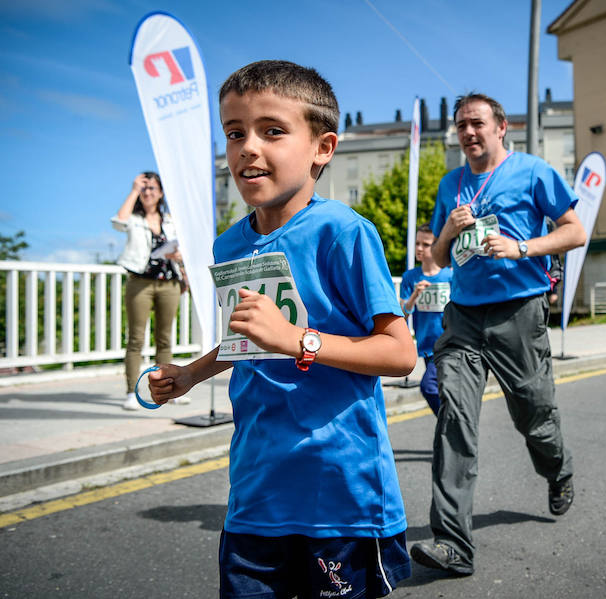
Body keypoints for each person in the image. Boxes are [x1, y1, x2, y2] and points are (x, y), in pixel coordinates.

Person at [147, 61, 417, 598]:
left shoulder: (343, 233)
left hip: (338, 495)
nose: (248, 146)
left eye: (272, 130)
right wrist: (190, 376)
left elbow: (400, 353)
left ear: (322, 147)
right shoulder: (229, 244)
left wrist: (298, 341)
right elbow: (248, 338)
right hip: (255, 490)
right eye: (234, 132)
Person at [410, 92, 587, 576]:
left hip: (519, 313)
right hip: (464, 317)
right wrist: (446, 229)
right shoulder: (451, 184)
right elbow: (441, 259)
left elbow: (574, 231)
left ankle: (558, 469)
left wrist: (521, 247)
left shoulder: (533, 172)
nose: (468, 133)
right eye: (461, 126)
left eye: (477, 124)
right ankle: (453, 544)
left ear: (501, 126)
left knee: (534, 415)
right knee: (454, 421)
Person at [112, 172, 189, 411]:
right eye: (144, 189)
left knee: (165, 339)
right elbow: (118, 222)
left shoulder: (170, 220)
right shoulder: (134, 219)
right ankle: (130, 392)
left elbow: (182, 246)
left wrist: (179, 257)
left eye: (152, 188)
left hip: (169, 282)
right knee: (136, 338)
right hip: (140, 282)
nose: (148, 193)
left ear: (161, 192)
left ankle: (167, 390)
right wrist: (134, 189)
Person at [399, 224, 453, 415]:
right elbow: (403, 314)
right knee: (443, 392)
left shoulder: (450, 276)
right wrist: (414, 296)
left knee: (429, 386)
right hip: (427, 346)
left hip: (450, 344)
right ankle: (454, 431)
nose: (419, 248)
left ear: (437, 246)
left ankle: (450, 429)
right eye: (417, 243)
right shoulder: (410, 277)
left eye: (426, 244)